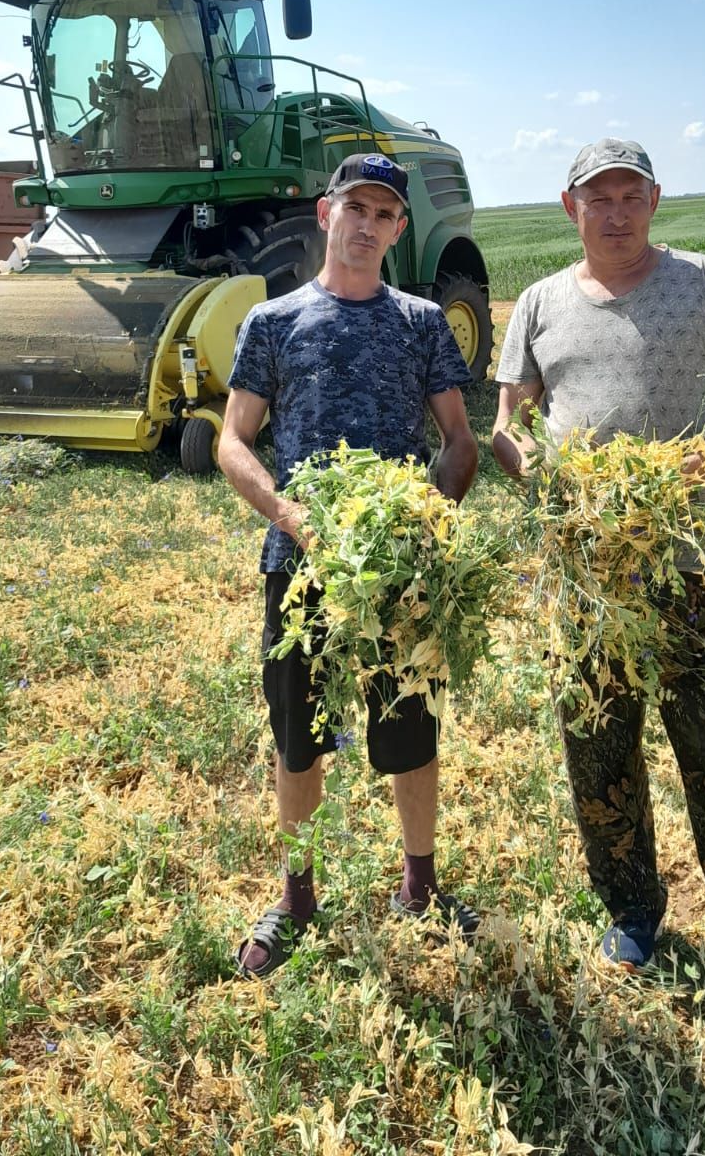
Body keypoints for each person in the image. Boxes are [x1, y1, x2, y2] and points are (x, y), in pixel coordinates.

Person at [491, 137, 705, 988]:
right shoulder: (537, 303)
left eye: (630, 195)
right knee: (599, 747)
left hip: (696, 562)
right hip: (588, 575)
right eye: (597, 198)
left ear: (655, 200)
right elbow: (509, 426)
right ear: (571, 208)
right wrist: (540, 471)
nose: (615, 212)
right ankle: (631, 910)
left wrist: (684, 470)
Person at [219, 152, 480, 979]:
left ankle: (421, 887)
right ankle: (296, 898)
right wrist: (293, 517)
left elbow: (460, 442)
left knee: (410, 727)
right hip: (301, 566)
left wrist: (422, 519)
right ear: (327, 214)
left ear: (399, 229)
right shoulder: (273, 323)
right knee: (298, 738)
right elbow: (233, 441)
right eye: (353, 207)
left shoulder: (420, 322)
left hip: (396, 571)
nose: (367, 224)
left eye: (384, 213)